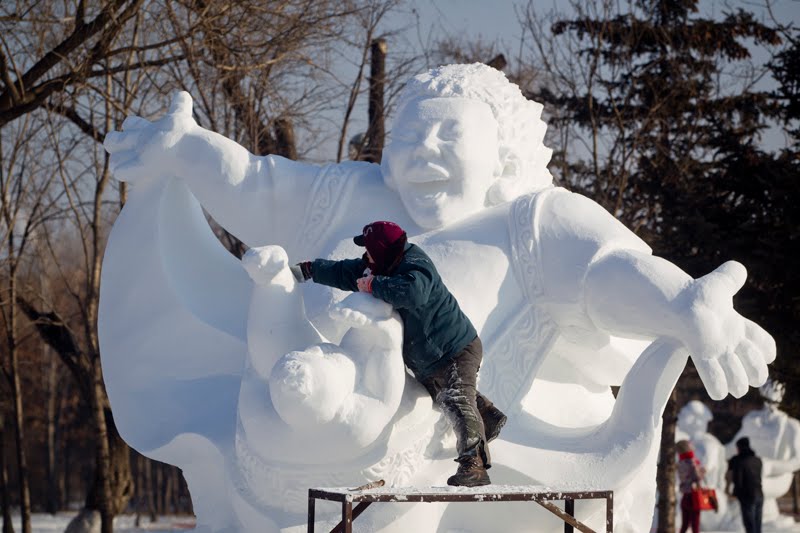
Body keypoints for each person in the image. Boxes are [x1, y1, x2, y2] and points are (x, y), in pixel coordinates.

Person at [291, 220, 507, 487]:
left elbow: (413, 293)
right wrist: (310, 270)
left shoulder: (416, 264)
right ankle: (488, 415)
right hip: (430, 359)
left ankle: (473, 466)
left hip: (456, 347)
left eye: (369, 249)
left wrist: (373, 286)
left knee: (456, 400)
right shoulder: (380, 264)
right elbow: (346, 272)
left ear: (383, 250)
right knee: (445, 397)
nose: (365, 255)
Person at [726, 437, 764, 533]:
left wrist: (734, 493)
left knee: (750, 525)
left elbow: (738, 480)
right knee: (757, 524)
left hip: (747, 496)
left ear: (739, 447)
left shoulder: (739, 461)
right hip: (759, 493)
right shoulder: (757, 460)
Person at [677, 439, 707, 533]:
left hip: (685, 496)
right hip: (694, 497)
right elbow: (696, 477)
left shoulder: (680, 462)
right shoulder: (691, 461)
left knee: (685, 525)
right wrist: (702, 471)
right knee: (695, 525)